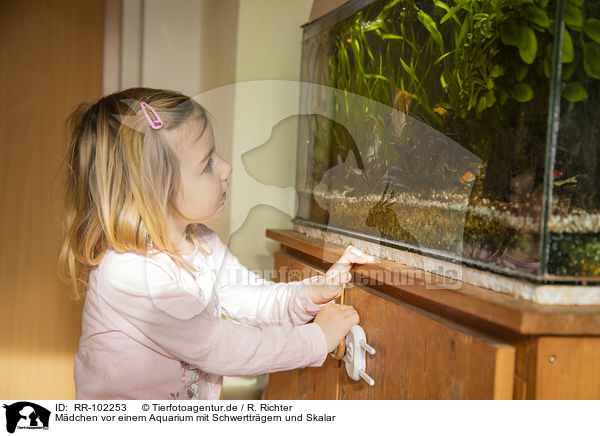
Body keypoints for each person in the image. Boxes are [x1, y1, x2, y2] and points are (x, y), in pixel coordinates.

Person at [57, 87, 376, 400]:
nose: (226, 168)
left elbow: (251, 299)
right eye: (207, 163)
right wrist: (315, 340)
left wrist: (310, 293)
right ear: (156, 190)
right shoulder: (129, 273)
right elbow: (220, 347)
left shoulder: (202, 242)